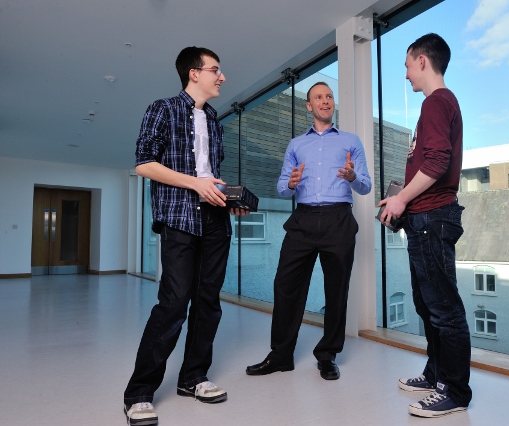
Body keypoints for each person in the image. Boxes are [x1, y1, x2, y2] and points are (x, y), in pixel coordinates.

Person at [124, 46, 248, 426]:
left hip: (215, 220)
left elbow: (210, 173)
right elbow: (144, 163)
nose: (221, 77)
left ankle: (193, 377)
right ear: (194, 73)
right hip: (179, 218)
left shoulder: (214, 119)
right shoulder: (162, 109)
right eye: (216, 70)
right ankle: (140, 393)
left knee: (208, 302)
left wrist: (226, 198)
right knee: (174, 303)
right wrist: (196, 185)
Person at [246, 82, 371, 381]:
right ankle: (280, 356)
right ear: (309, 106)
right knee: (285, 285)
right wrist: (291, 182)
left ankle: (327, 356)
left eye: (329, 97)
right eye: (318, 97)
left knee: (336, 290)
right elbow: (281, 188)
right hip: (302, 220)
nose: (325, 101)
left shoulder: (351, 141)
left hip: (338, 219)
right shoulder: (295, 145)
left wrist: (353, 176)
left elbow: (365, 186)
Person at [378, 33, 472, 418]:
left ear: (421, 60)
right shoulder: (439, 104)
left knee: (444, 308)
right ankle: (437, 375)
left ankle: (455, 391)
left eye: (405, 65)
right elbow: (432, 161)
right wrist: (404, 203)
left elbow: (435, 162)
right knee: (426, 303)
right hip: (425, 218)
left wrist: (401, 198)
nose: (405, 75)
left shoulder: (437, 102)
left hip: (433, 217)